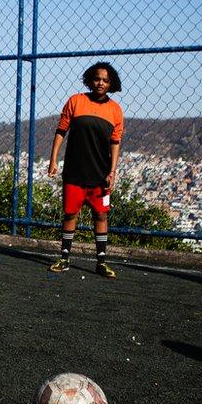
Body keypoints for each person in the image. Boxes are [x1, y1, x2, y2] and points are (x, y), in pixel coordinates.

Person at [46, 62, 124, 278]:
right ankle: (64, 259)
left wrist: (112, 172)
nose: (101, 83)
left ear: (111, 84)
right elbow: (61, 130)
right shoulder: (76, 101)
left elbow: (115, 143)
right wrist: (53, 159)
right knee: (70, 214)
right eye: (98, 78)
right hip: (74, 171)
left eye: (106, 80)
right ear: (90, 79)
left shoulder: (115, 110)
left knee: (101, 215)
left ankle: (101, 262)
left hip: (100, 175)